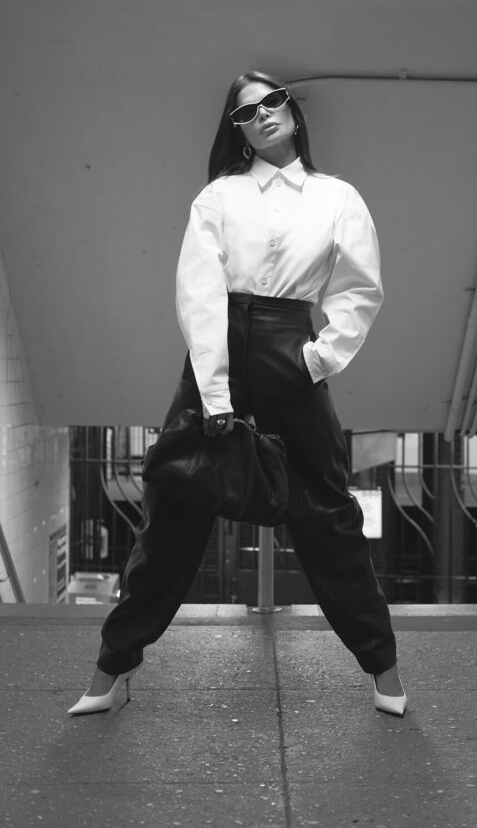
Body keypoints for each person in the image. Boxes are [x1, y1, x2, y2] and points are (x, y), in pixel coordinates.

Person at [68, 71, 406, 718]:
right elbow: (198, 292)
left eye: (273, 100)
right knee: (171, 514)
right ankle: (112, 668)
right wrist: (214, 397)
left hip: (290, 352)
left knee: (329, 515)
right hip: (214, 350)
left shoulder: (337, 197)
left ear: (294, 112)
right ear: (237, 128)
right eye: (246, 111)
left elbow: (359, 288)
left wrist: (318, 357)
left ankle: (382, 670)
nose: (263, 114)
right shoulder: (219, 196)